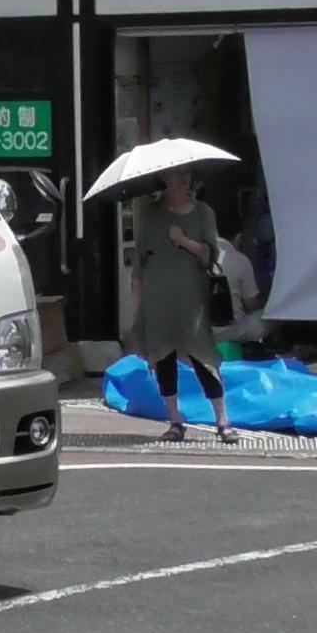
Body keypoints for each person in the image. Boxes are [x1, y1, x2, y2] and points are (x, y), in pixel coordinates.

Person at [133, 169, 238, 443]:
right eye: (175, 177)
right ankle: (175, 420)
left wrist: (183, 241)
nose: (182, 181)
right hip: (157, 294)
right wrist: (138, 294)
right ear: (164, 181)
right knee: (163, 355)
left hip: (192, 295)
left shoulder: (204, 213)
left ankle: (223, 420)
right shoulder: (152, 214)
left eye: (186, 177)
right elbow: (139, 258)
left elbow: (210, 254)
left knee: (202, 353)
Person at [213, 234, 267, 345]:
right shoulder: (239, 259)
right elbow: (252, 304)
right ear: (238, 237)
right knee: (276, 313)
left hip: (197, 332)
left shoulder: (191, 255)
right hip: (230, 332)